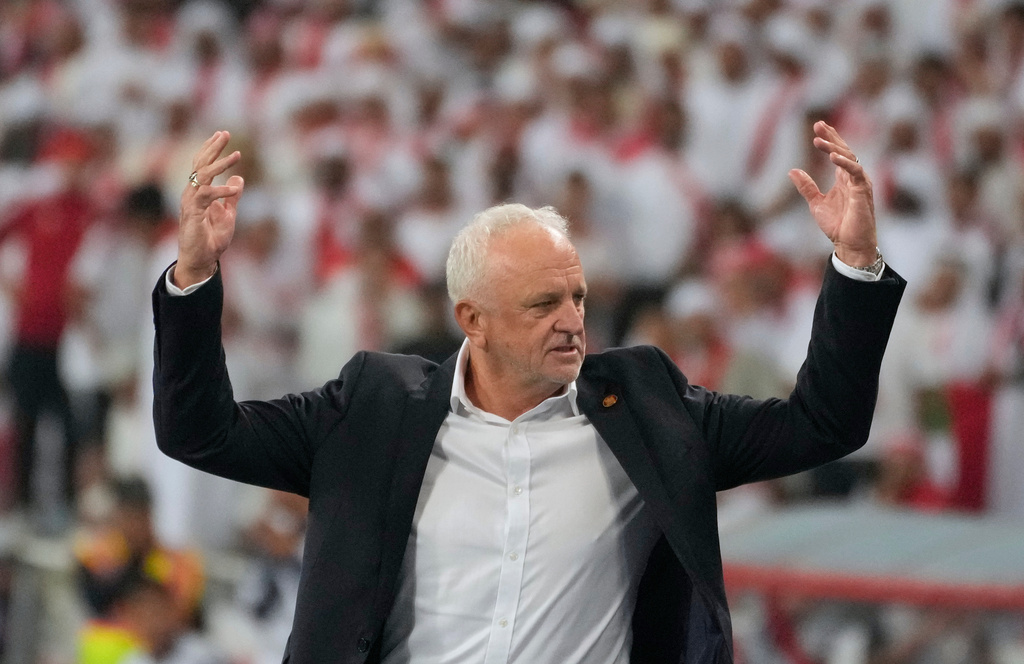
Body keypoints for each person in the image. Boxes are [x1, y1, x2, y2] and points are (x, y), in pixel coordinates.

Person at [152, 122, 905, 663]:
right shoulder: (371, 408)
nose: (574, 321)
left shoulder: (648, 406)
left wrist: (856, 265)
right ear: (471, 319)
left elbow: (823, 424)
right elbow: (200, 432)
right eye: (545, 305)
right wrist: (192, 279)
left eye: (577, 297)